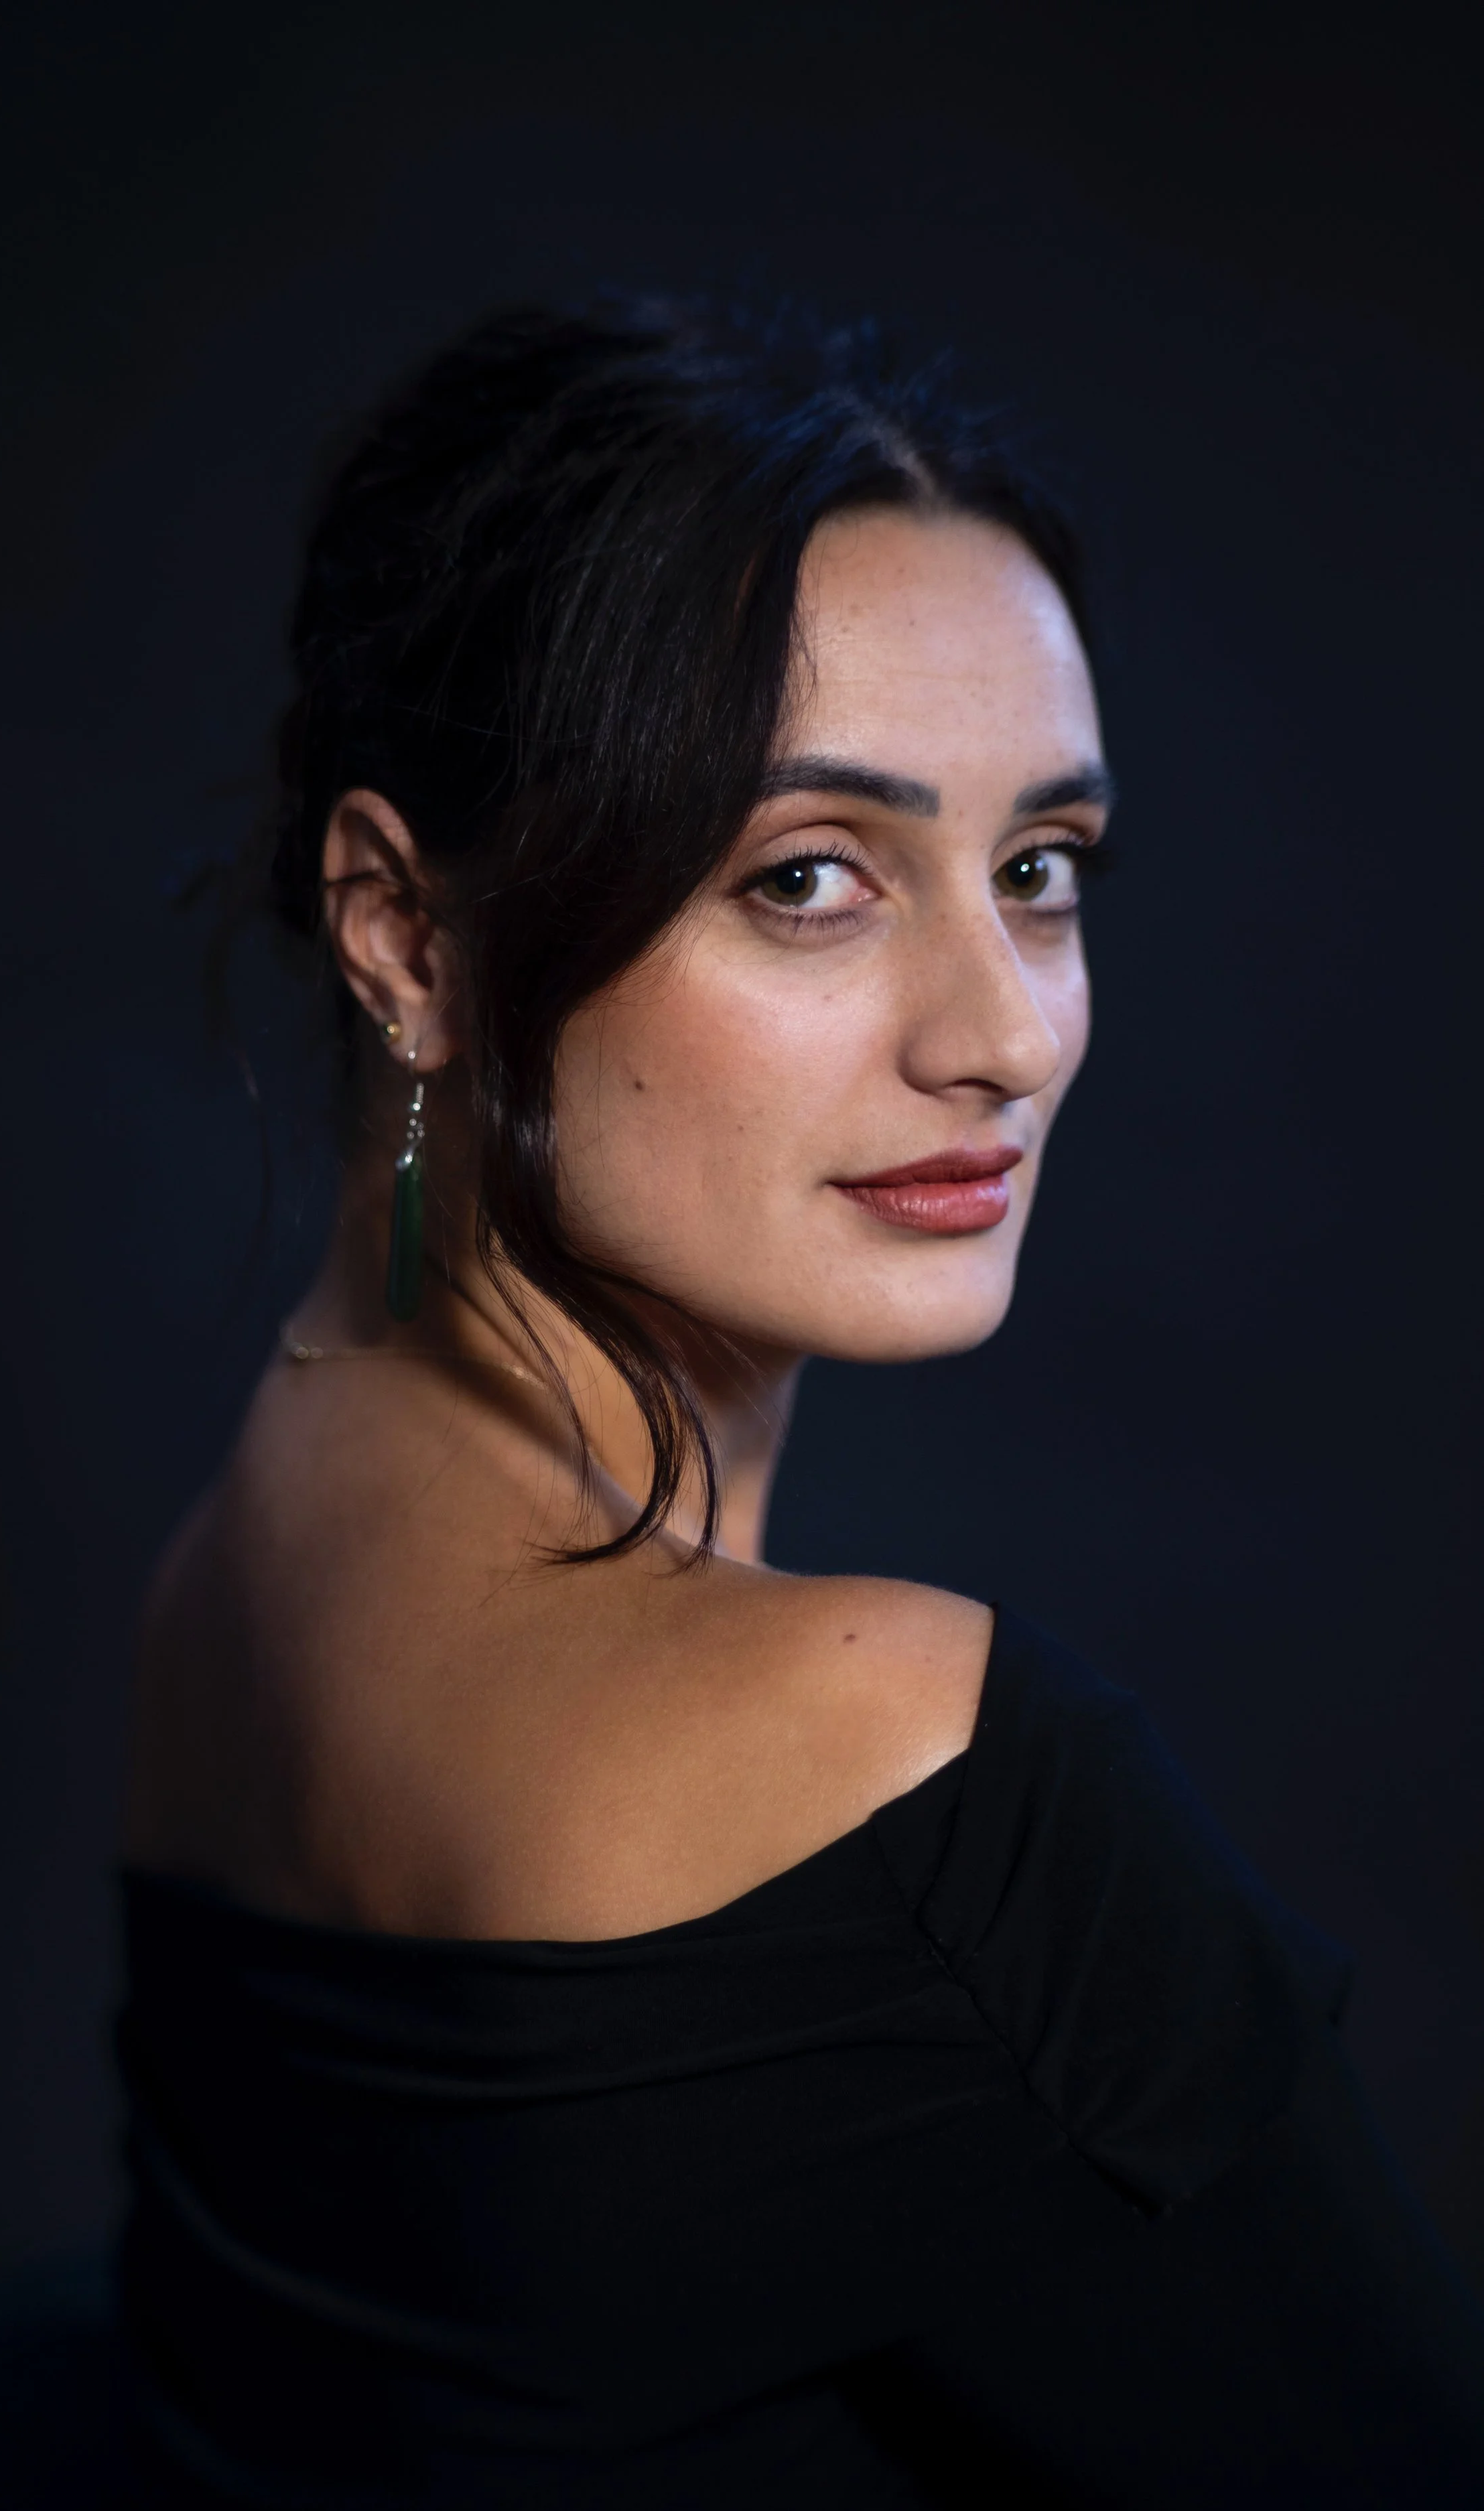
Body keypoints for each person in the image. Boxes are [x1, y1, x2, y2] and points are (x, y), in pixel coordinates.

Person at [117, 300, 1484, 2507]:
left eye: (1037, 870)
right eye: (811, 878)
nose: (1005, 1035)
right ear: (407, 936)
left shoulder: (260, 1528)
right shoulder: (900, 1772)